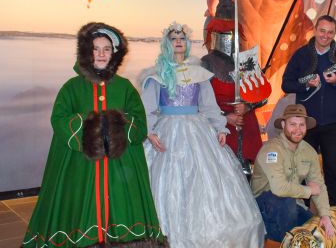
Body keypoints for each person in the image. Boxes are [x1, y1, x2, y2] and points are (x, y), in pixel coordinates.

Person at [22, 22, 165, 247]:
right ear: (86, 52)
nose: (100, 54)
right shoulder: (71, 87)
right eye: (95, 48)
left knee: (122, 215)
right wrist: (91, 129)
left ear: (114, 54)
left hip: (121, 168)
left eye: (106, 49)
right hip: (80, 167)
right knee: (78, 213)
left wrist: (117, 128)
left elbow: (139, 123)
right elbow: (59, 119)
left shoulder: (125, 87)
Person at [141, 22, 265, 247]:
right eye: (173, 39)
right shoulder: (157, 74)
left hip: (197, 130)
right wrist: (149, 131)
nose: (178, 42)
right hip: (168, 131)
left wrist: (219, 127)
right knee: (171, 182)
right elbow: (147, 108)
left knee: (205, 180)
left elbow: (208, 105)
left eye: (181, 39)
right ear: (166, 44)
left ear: (187, 43)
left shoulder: (199, 73)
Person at [282, 15, 336, 206]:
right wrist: (306, 84)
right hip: (306, 125)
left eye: (330, 32)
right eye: (322, 31)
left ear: (335, 34)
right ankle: (302, 214)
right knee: (302, 170)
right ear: (315, 30)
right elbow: (286, 84)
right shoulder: (301, 54)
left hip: (333, 124)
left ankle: (334, 213)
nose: (325, 36)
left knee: (332, 170)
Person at [251, 104, 335, 242]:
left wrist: (325, 215)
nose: (298, 129)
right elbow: (280, 188)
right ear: (283, 124)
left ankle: (290, 239)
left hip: (292, 205)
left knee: (315, 233)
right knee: (286, 203)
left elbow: (319, 185)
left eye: (302, 125)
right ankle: (276, 241)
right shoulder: (272, 150)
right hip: (264, 205)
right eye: (293, 124)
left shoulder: (309, 152)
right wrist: (309, 190)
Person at [201, 0, 264, 167]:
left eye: (230, 33)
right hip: (219, 128)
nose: (226, 38)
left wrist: (248, 106)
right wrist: (224, 118)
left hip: (246, 126)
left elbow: (263, 95)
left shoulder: (247, 60)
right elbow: (198, 102)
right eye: (222, 33)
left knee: (248, 175)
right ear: (213, 33)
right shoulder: (207, 62)